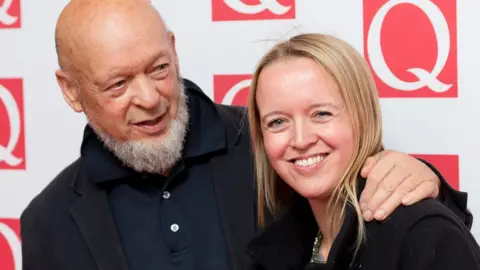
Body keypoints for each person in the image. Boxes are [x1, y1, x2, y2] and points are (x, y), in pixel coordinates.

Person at [20, 1, 471, 270]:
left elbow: (375, 213)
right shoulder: (48, 222)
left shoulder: (270, 145)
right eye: (117, 85)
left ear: (174, 50)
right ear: (71, 90)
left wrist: (421, 177)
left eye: (158, 69)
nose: (149, 98)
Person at [245, 33, 480, 270]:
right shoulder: (279, 247)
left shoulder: (424, 234)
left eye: (322, 114)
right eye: (277, 122)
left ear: (363, 116)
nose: (300, 139)